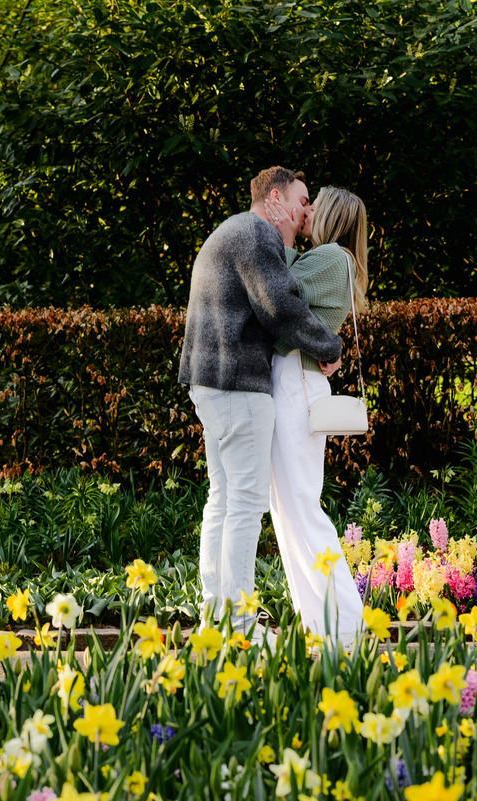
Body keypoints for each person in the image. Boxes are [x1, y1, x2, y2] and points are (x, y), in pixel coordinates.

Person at [178, 167, 344, 639]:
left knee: (224, 499)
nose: (305, 211)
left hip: (208, 381)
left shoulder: (232, 230)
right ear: (275, 198)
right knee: (246, 504)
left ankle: (218, 615)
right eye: (301, 199)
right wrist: (328, 348)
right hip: (237, 382)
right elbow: (281, 306)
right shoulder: (255, 235)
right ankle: (242, 625)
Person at [264, 186, 368, 644]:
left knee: (301, 508)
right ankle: (322, 627)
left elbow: (280, 289)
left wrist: (279, 235)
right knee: (287, 510)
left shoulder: (333, 258)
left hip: (298, 382)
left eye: (312, 205)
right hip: (292, 380)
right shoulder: (331, 258)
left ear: (329, 215)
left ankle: (347, 627)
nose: (304, 211)